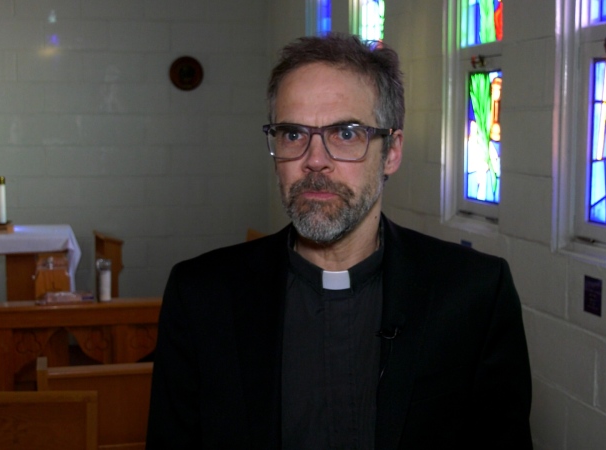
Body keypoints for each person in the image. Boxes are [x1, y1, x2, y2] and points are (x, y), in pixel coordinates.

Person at [146, 33, 532, 449]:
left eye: (346, 134)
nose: (315, 159)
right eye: (293, 134)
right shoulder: (202, 295)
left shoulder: (473, 293)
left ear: (393, 151)